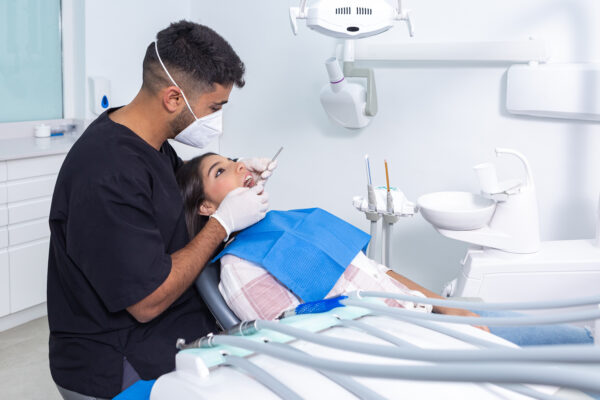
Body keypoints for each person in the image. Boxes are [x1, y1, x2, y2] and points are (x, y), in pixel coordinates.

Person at [47, 21, 275, 399]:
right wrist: (221, 223)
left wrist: (237, 173)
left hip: (170, 331)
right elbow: (147, 303)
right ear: (172, 98)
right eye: (214, 107)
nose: (217, 119)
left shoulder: (149, 142)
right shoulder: (107, 172)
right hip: (116, 361)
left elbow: (180, 200)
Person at [176, 153, 595, 347]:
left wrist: (445, 306)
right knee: (575, 350)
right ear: (208, 207)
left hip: (430, 317)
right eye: (221, 171)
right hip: (414, 342)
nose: (239, 167)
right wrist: (445, 330)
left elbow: (378, 273)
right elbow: (298, 342)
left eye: (234, 160)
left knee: (578, 339)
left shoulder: (292, 220)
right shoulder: (237, 268)